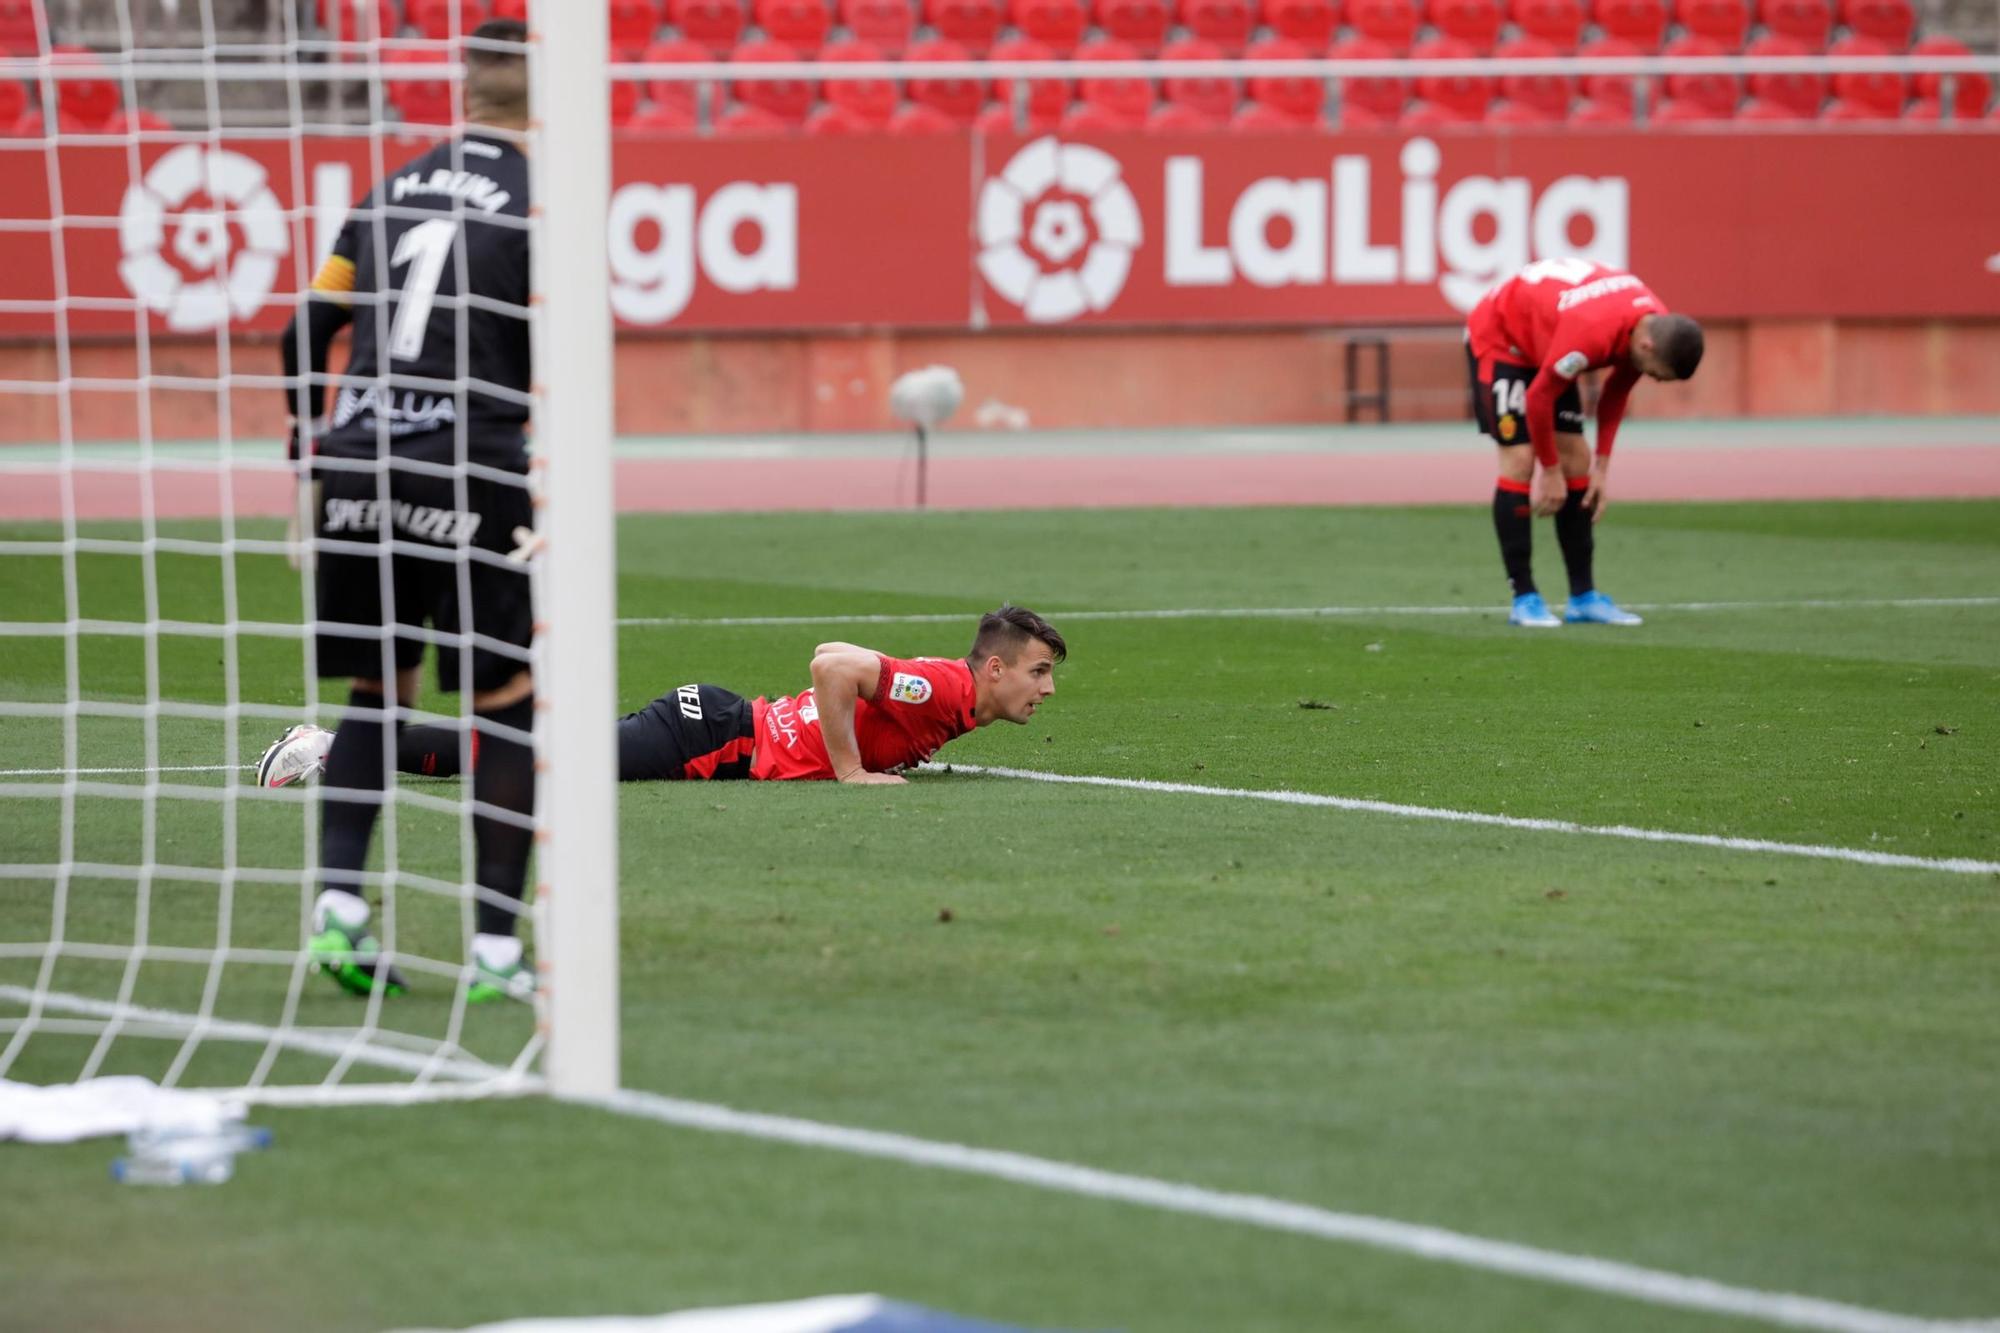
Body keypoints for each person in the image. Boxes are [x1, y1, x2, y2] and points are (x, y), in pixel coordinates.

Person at [273, 19, 537, 1002]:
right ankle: (495, 956)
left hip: (358, 467)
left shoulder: (387, 194)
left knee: (378, 692)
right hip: (470, 467)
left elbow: (305, 330)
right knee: (505, 706)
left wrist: (310, 444)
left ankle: (338, 906)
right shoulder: (538, 199)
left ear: (464, 91)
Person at [258, 605, 1066, 791]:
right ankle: (328, 749)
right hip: (712, 735)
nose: (1047, 688)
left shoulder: (959, 699)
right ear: (995, 669)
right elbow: (832, 664)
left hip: (710, 720)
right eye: (1037, 671)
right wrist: (850, 772)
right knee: (524, 765)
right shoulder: (951, 685)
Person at [1465, 257, 1704, 628]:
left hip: (1549, 345)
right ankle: (1525, 598)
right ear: (1647, 346)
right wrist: (1550, 472)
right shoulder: (1592, 333)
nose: (1654, 380)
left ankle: (1583, 597)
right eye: (1657, 375)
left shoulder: (1652, 324)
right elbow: (1538, 399)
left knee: (1579, 458)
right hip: (1503, 341)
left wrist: (1602, 469)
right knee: (1521, 459)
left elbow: (1615, 393)